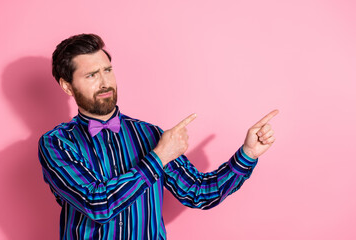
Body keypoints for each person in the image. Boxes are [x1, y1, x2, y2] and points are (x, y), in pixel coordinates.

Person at [38, 33, 278, 240]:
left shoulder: (150, 134)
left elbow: (200, 192)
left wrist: (247, 154)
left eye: (107, 70)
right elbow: (97, 203)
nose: (104, 83)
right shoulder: (56, 143)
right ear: (67, 86)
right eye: (91, 75)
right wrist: (158, 157)